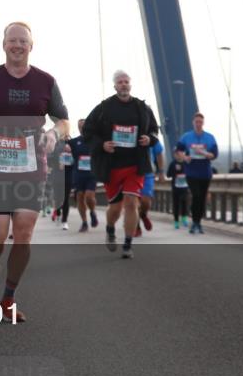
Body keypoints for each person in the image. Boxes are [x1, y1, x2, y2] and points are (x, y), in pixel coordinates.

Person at [0, 22, 70, 322]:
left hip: (31, 164)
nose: (17, 45)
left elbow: (64, 120)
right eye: (12, 40)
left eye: (23, 41)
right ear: (4, 44)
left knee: (23, 234)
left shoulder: (46, 81)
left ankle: (8, 297)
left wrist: (53, 134)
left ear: (31, 46)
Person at [83, 70, 160, 258]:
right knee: (115, 208)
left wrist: (149, 139)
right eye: (120, 82)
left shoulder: (142, 108)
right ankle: (110, 229)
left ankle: (128, 244)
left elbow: (154, 131)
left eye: (126, 81)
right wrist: (102, 145)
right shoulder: (104, 108)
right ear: (115, 86)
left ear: (130, 85)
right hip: (113, 167)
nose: (123, 84)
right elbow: (88, 131)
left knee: (132, 203)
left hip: (136, 165)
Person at [176, 112, 218, 234]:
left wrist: (203, 153)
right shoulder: (186, 137)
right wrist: (184, 157)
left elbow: (214, 155)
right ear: (193, 123)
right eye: (196, 122)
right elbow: (178, 150)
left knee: (202, 198)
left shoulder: (209, 138)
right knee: (196, 195)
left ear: (203, 123)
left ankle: (198, 222)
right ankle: (194, 222)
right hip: (191, 172)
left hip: (205, 172)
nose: (198, 124)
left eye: (200, 122)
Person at [67, 119, 99, 232]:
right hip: (78, 174)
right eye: (80, 126)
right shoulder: (74, 142)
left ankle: (92, 211)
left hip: (92, 174)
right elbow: (62, 145)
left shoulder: (95, 140)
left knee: (89, 196)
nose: (82, 128)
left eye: (84, 126)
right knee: (80, 198)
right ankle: (84, 222)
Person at [167, 149, 190, 228]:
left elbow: (190, 173)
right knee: (176, 204)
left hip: (184, 187)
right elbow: (168, 175)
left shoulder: (186, 163)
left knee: (184, 202)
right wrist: (175, 174)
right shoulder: (172, 164)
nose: (179, 155)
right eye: (177, 153)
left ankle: (184, 219)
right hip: (175, 187)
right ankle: (176, 221)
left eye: (180, 153)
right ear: (175, 155)